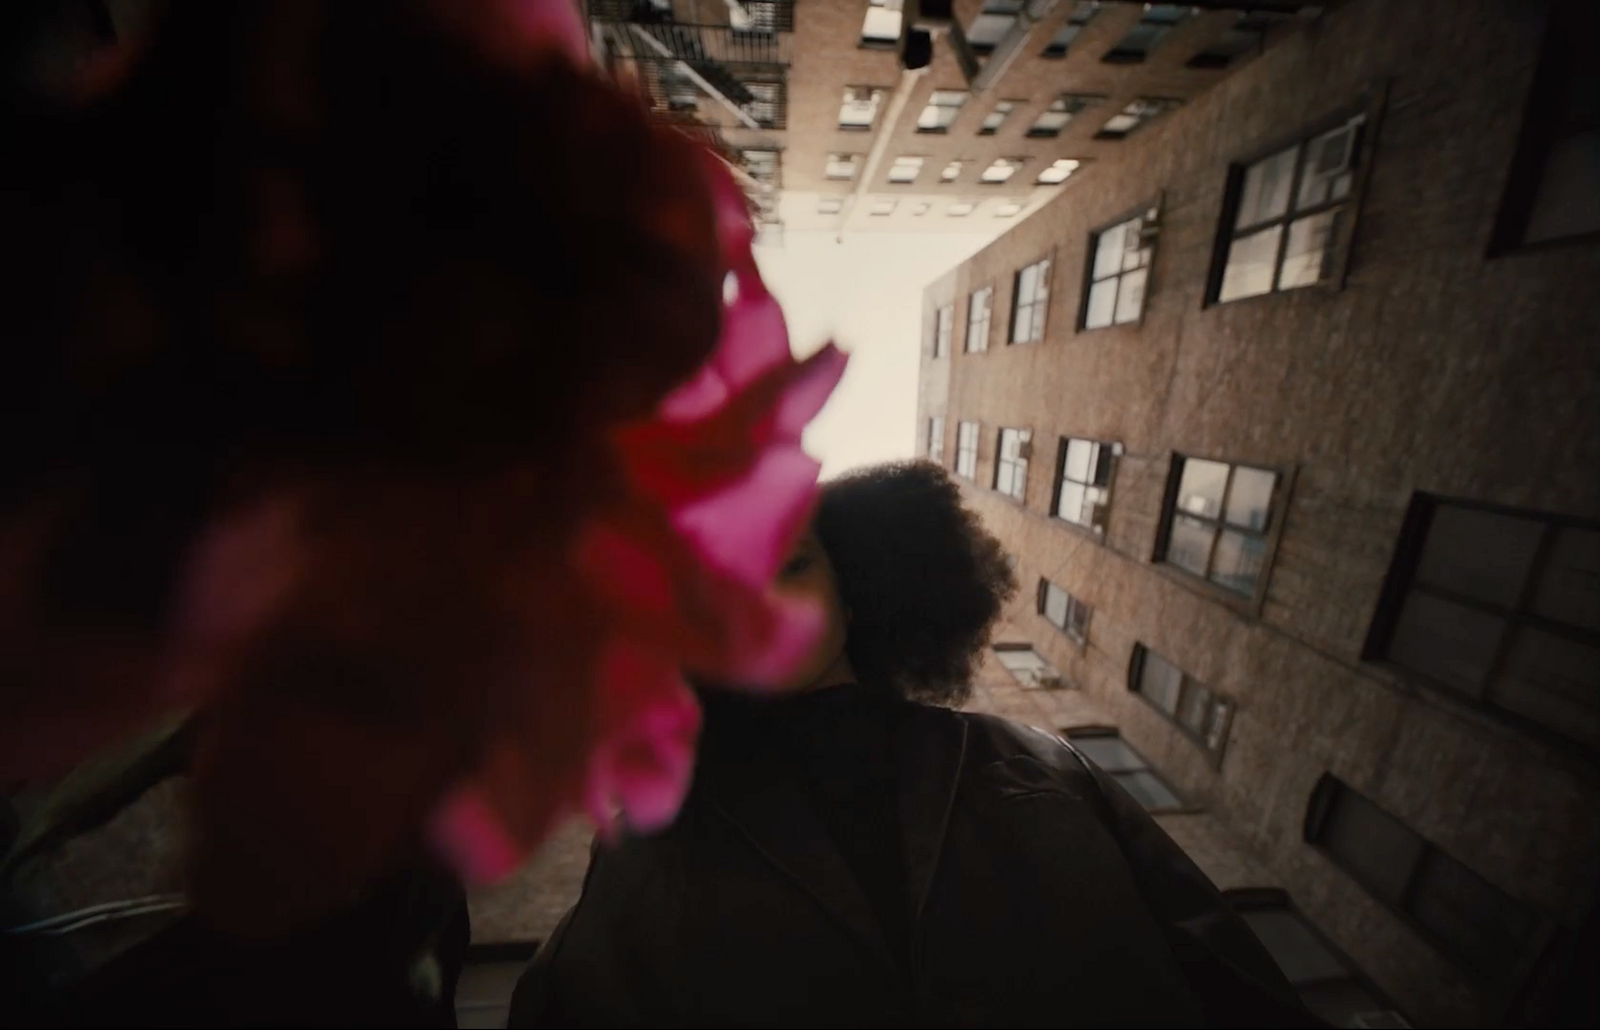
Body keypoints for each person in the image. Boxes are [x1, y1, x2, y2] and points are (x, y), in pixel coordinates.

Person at [508, 461, 1323, 1028]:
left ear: (854, 593)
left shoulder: (1033, 761)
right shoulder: (649, 835)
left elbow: (1232, 979)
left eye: (789, 568)